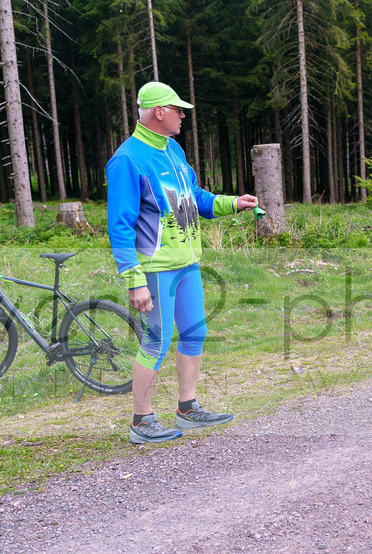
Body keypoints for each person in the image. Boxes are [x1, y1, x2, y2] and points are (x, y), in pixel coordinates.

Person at [107, 81, 258, 444]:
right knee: (156, 341)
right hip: (156, 269)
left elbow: (196, 200)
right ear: (159, 112)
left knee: (194, 334)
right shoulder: (128, 159)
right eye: (178, 110)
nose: (183, 116)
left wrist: (232, 203)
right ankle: (141, 422)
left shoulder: (172, 149)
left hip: (188, 264)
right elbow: (120, 226)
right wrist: (134, 280)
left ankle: (187, 409)